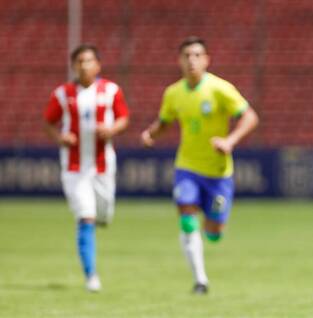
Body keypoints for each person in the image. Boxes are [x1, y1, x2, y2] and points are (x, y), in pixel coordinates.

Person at [141, 37, 259, 295]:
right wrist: (151, 134)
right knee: (186, 219)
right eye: (187, 55)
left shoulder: (220, 89)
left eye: (197, 55)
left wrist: (230, 140)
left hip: (218, 173)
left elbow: (250, 117)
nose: (192, 60)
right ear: (179, 61)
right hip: (187, 168)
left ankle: (214, 228)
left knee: (214, 232)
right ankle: (200, 280)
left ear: (206, 60)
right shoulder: (173, 93)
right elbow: (164, 121)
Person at [43, 44, 130, 292]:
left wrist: (112, 130)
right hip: (74, 167)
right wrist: (60, 138)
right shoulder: (63, 94)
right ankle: (91, 276)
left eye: (89, 60)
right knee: (86, 216)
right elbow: (48, 122)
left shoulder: (111, 90)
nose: (84, 65)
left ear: (98, 65)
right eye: (79, 61)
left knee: (103, 213)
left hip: (103, 165)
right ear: (73, 65)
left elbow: (124, 118)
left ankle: (100, 216)